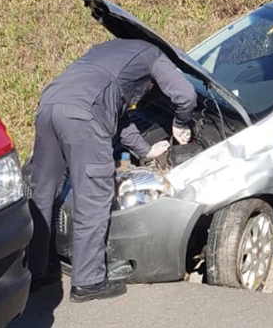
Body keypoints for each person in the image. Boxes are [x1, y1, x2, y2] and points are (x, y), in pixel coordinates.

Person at [27, 38, 197, 303]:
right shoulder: (153, 55)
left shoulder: (106, 50)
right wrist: (180, 122)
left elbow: (117, 117)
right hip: (83, 116)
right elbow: (186, 95)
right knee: (94, 195)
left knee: (42, 192)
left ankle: (35, 270)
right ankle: (89, 281)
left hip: (49, 105)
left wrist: (145, 151)